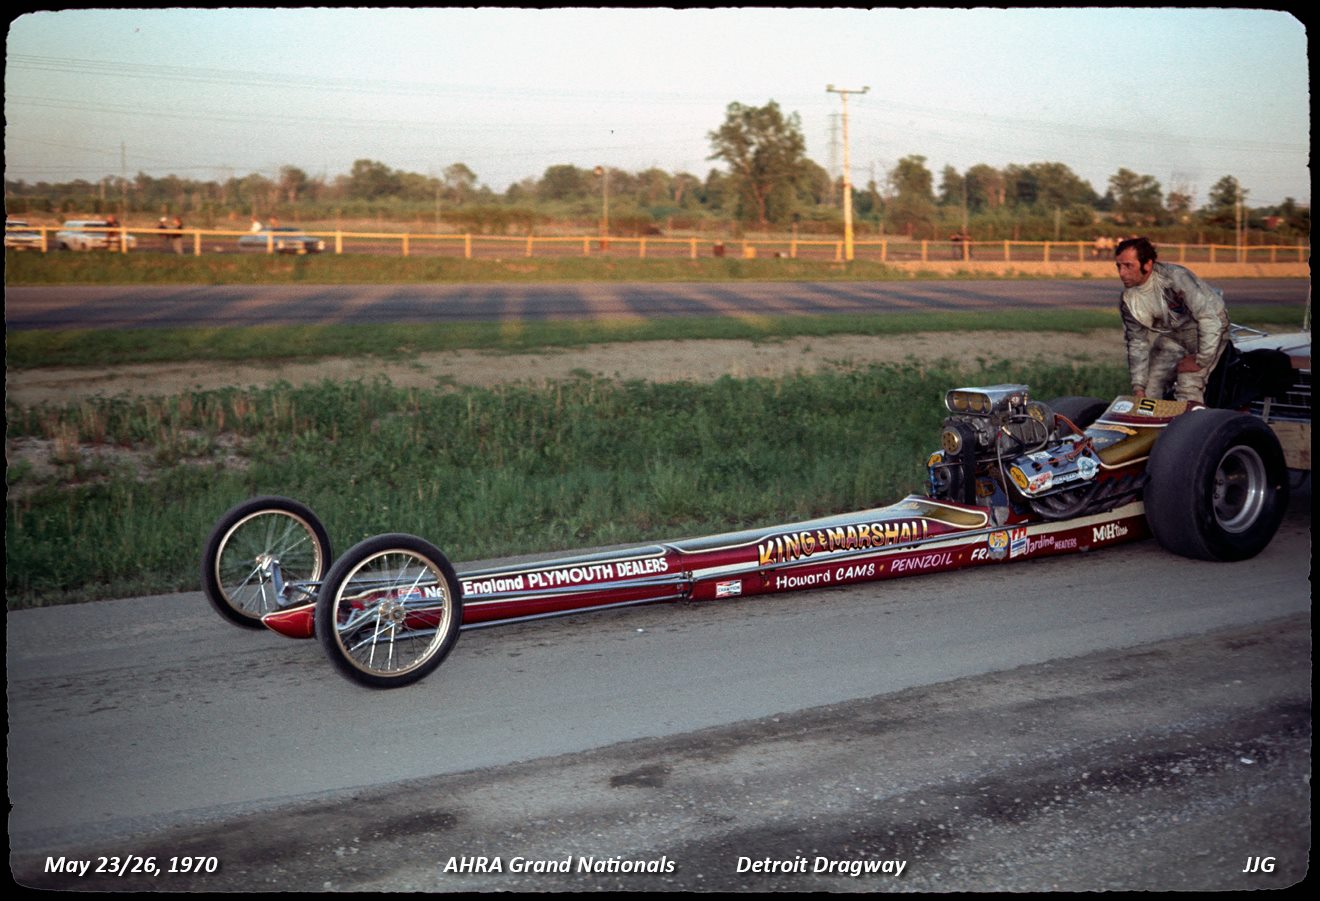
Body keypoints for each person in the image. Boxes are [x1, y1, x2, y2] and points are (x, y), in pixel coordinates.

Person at [1114, 236, 1229, 404]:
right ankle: (1153, 420)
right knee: (1149, 387)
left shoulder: (1176, 277)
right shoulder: (1129, 300)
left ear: (1147, 264)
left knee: (1188, 385)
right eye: (1119, 266)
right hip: (1174, 335)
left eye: (1128, 266)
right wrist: (1138, 386)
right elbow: (1137, 343)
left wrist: (1201, 360)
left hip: (1208, 330)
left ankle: (1191, 418)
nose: (1122, 273)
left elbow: (1209, 318)